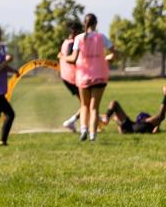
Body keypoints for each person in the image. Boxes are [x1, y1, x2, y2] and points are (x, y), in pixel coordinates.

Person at [62, 13, 116, 142]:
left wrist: (63, 57)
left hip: (83, 76)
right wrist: (106, 59)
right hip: (100, 75)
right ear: (96, 23)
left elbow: (73, 59)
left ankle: (84, 130)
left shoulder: (79, 38)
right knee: (94, 107)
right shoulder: (101, 37)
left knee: (84, 105)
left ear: (84, 24)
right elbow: (114, 53)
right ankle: (92, 135)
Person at [102, 86, 166, 134]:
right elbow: (161, 115)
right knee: (114, 104)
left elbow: (160, 116)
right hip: (130, 126)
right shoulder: (148, 123)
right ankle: (106, 117)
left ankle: (106, 117)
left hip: (128, 127)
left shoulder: (148, 124)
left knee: (114, 104)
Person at [58, 21, 84, 132]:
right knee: (86, 104)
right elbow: (71, 59)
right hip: (73, 78)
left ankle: (92, 122)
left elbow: (61, 56)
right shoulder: (72, 43)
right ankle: (71, 122)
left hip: (65, 77)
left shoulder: (65, 42)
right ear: (75, 32)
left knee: (85, 103)